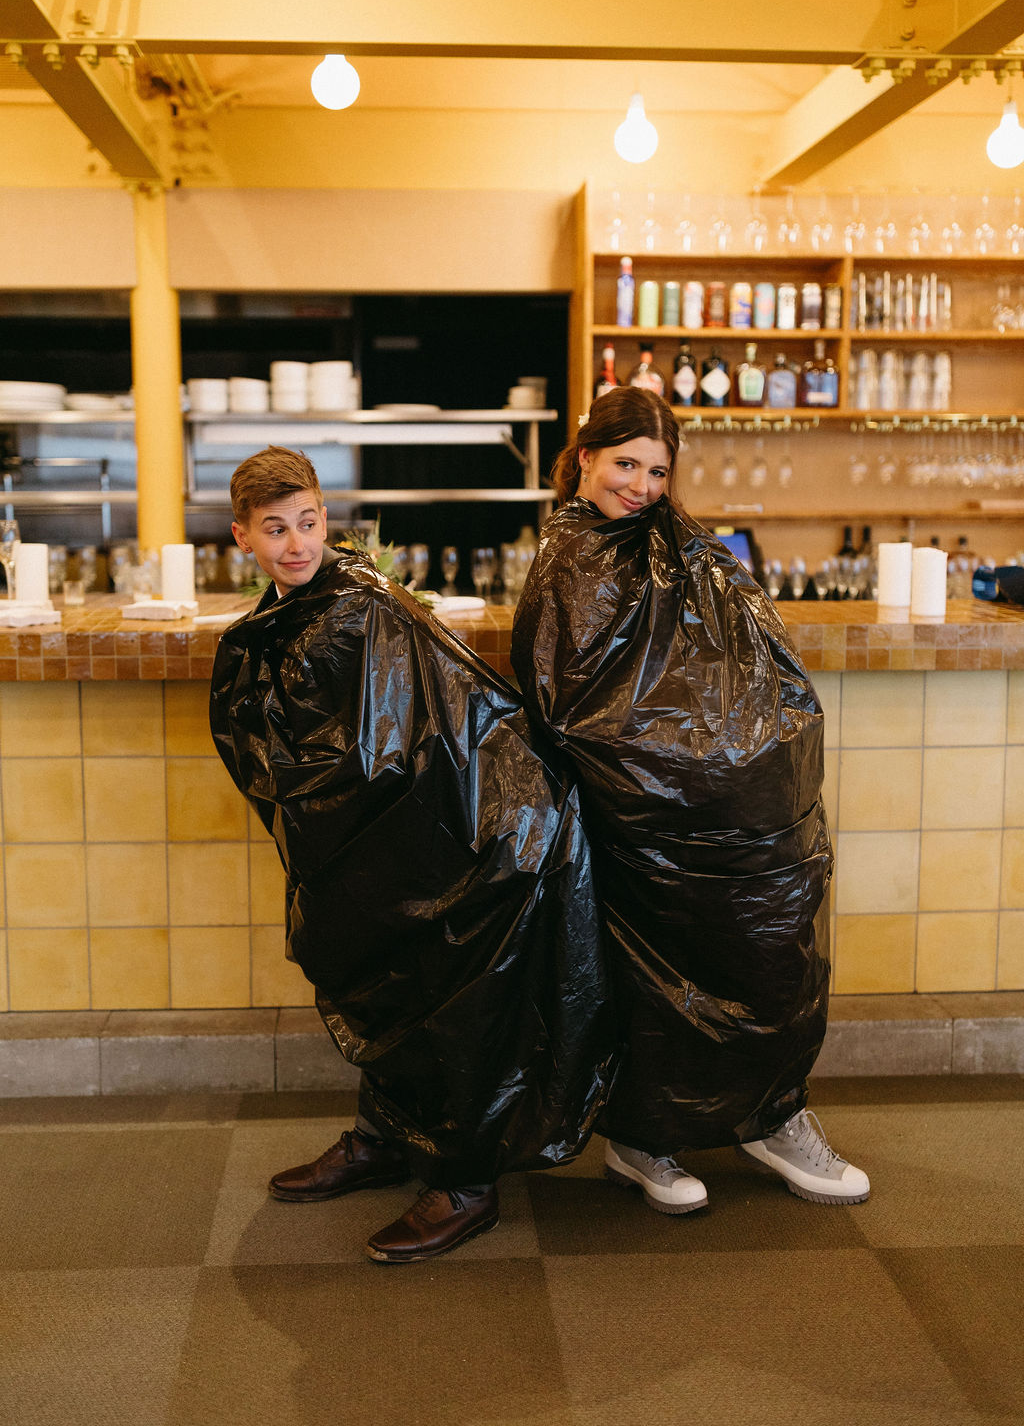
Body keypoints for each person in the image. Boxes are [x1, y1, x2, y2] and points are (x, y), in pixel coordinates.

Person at [209, 446, 615, 1262]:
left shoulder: (366, 605)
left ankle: (465, 1182)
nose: (297, 544)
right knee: (381, 981)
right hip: (379, 845)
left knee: (448, 993)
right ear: (242, 536)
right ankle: (385, 1137)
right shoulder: (287, 615)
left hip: (467, 838)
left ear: (329, 516)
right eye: (277, 529)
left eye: (310, 522)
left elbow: (412, 736)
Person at [510, 387, 869, 1215]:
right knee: (651, 971)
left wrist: (733, 758)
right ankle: (643, 1138)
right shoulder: (566, 560)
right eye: (625, 464)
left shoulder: (691, 551)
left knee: (775, 939)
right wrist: (665, 768)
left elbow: (752, 662)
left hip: (728, 803)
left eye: (656, 471)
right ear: (587, 457)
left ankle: (775, 1113)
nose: (638, 485)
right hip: (636, 812)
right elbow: (569, 703)